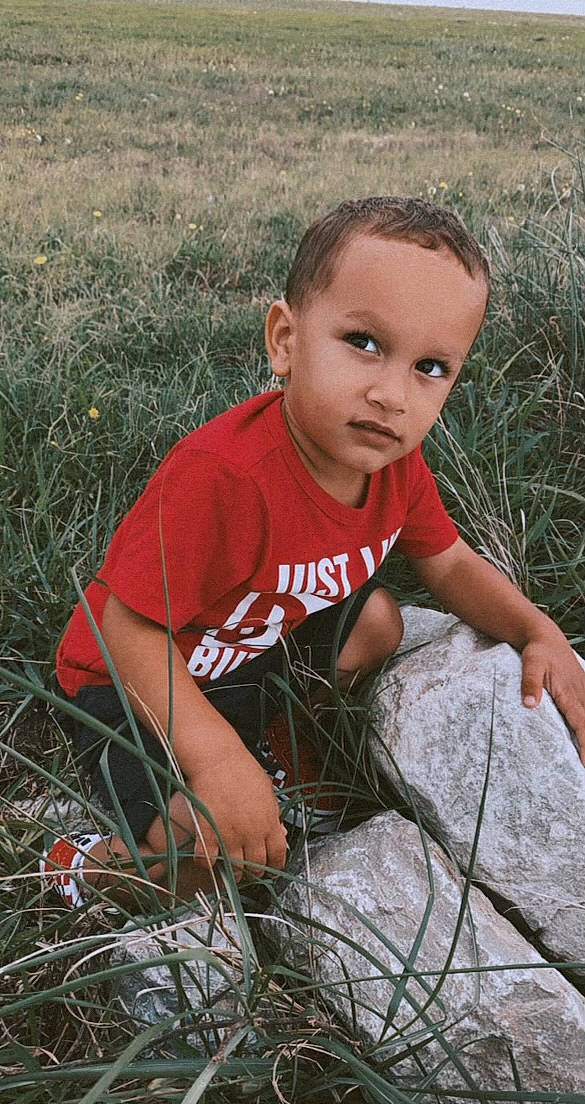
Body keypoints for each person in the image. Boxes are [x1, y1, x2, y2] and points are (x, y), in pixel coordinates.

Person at [44, 196, 585, 908]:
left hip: (245, 653)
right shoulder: (224, 477)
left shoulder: (394, 467)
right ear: (285, 340)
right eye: (363, 342)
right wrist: (215, 759)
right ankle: (88, 865)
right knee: (211, 845)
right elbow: (127, 627)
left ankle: (281, 746)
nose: (391, 394)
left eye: (430, 366)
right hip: (131, 680)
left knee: (377, 621)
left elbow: (449, 562)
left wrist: (537, 631)